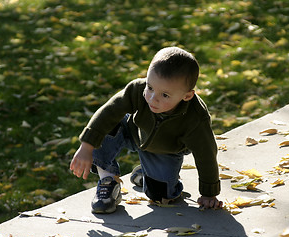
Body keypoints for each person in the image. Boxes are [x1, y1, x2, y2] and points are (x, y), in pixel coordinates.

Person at [70, 46, 221, 214]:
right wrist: (86, 146)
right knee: (109, 123)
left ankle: (149, 174)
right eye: (150, 87)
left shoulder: (195, 118)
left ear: (186, 96)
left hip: (166, 150)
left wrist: (209, 193)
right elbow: (108, 112)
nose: (152, 98)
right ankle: (108, 181)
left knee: (162, 197)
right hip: (133, 132)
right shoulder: (136, 89)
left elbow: (206, 154)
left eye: (164, 95)